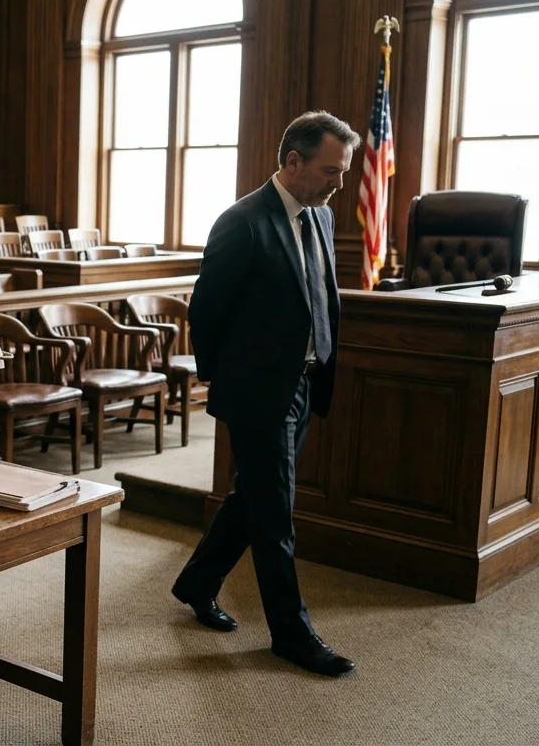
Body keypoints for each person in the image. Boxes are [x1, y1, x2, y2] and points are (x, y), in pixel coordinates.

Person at [171, 111, 358, 677]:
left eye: (344, 171)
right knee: (277, 514)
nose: (339, 184)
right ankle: (291, 635)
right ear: (293, 161)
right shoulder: (242, 222)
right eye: (330, 170)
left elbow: (319, 294)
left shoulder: (320, 216)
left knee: (254, 494)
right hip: (258, 389)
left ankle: (196, 582)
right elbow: (206, 311)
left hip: (303, 380)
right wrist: (221, 380)